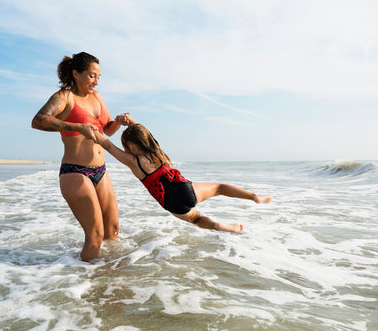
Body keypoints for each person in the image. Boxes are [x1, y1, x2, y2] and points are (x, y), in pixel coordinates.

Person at [94, 115, 272, 233]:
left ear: (129, 146)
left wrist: (92, 132)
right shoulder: (156, 151)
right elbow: (144, 132)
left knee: (197, 219)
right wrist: (130, 120)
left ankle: (219, 225)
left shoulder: (134, 162)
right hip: (185, 190)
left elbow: (108, 145)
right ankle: (254, 197)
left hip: (169, 202)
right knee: (219, 188)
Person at [31, 52, 126, 261]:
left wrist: (118, 121)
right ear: (76, 73)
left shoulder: (97, 97)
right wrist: (76, 127)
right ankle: (84, 283)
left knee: (112, 231)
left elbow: (106, 130)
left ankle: (110, 279)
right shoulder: (64, 97)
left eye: (99, 76)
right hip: (75, 172)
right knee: (96, 235)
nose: (96, 81)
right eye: (92, 76)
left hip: (100, 171)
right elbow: (38, 121)